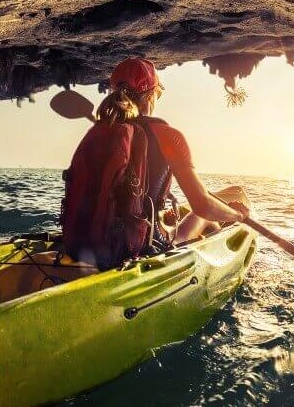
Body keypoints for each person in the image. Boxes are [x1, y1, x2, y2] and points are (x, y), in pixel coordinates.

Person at [61, 58, 249, 268]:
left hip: (85, 243)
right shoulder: (169, 136)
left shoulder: (105, 130)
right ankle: (221, 266)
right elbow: (202, 205)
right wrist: (237, 215)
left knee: (197, 217)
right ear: (151, 95)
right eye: (157, 94)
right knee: (206, 216)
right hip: (144, 247)